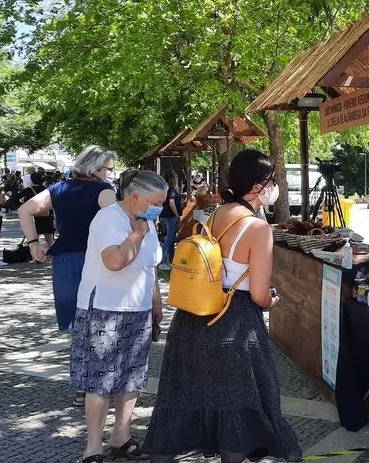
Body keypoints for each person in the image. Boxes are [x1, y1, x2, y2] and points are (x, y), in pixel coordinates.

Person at [144, 149, 301, 463]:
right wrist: (271, 301)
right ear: (257, 187)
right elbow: (258, 294)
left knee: (186, 394)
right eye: (272, 182)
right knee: (239, 400)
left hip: (192, 316)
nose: (274, 188)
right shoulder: (258, 228)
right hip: (234, 321)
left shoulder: (217, 213)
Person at [70, 170, 167, 463]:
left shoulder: (147, 221)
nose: (159, 208)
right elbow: (114, 261)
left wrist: (156, 302)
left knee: (132, 378)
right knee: (101, 381)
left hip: (138, 308)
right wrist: (136, 234)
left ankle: (120, 438)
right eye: (156, 202)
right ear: (136, 197)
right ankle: (93, 448)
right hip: (105, 308)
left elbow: (149, 267)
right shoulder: (108, 219)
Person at [19, 145, 117, 406]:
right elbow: (115, 223)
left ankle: (81, 386)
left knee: (78, 325)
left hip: (64, 262)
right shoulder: (104, 190)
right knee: (100, 321)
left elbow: (24, 210)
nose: (110, 173)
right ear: (95, 168)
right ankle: (98, 384)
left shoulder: (59, 188)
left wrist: (33, 244)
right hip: (94, 261)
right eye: (108, 168)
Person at [156, 171, 184, 272]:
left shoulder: (163, 189)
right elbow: (171, 203)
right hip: (171, 216)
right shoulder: (172, 189)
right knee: (169, 240)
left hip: (164, 215)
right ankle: (163, 261)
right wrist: (177, 215)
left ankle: (172, 260)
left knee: (171, 239)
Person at [21, 171, 56, 249]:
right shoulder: (46, 190)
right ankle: (53, 253)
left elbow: (15, 198)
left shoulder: (28, 190)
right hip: (46, 215)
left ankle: (37, 254)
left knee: (35, 237)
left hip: (33, 216)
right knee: (49, 238)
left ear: (32, 180)